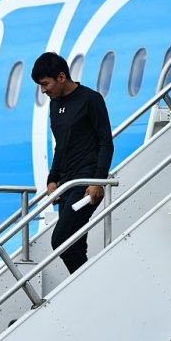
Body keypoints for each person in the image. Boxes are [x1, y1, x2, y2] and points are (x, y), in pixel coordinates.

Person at [31, 52, 114, 274]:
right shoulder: (54, 104)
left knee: (61, 240)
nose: (43, 90)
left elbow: (106, 143)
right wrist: (52, 179)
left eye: (45, 84)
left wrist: (97, 181)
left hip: (85, 183)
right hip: (66, 184)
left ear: (61, 77)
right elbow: (61, 145)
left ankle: (89, 284)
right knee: (75, 244)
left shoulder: (90, 99)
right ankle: (87, 285)